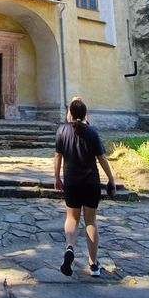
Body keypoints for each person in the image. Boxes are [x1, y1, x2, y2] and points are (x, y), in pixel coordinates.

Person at [54, 98, 116, 277]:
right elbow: (102, 158)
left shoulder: (61, 131)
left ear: (70, 113)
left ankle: (70, 247)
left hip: (71, 181)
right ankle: (93, 264)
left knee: (72, 218)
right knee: (91, 222)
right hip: (91, 182)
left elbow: (57, 156)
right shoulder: (92, 132)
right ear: (85, 114)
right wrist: (111, 179)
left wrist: (57, 177)